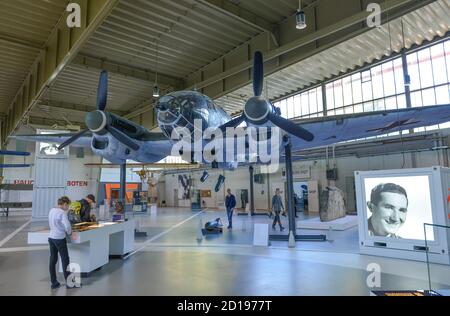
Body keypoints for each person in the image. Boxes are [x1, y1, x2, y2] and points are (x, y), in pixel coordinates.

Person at [48, 196, 72, 289]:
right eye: (68, 205)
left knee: (53, 260)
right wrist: (69, 232)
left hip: (51, 237)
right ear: (65, 204)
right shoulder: (62, 213)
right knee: (65, 259)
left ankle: (54, 283)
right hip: (60, 238)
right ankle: (69, 283)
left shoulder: (52, 210)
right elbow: (67, 225)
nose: (68, 208)